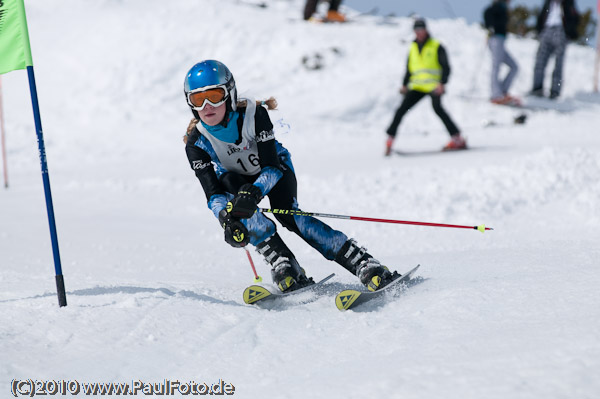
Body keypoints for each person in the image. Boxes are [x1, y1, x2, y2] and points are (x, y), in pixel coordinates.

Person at [183, 60, 398, 293]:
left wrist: (254, 192)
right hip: (236, 180)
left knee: (289, 215)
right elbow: (213, 194)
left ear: (230, 94)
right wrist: (226, 218)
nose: (206, 105)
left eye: (214, 95)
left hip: (275, 171)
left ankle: (362, 262)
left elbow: (272, 167)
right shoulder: (196, 143)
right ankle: (283, 262)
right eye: (197, 99)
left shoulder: (255, 116)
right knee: (236, 208)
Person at [385, 18, 465, 155]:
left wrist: (442, 83)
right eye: (417, 30)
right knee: (401, 109)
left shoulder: (436, 45)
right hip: (417, 86)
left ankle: (457, 138)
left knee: (438, 108)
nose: (419, 33)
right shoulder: (413, 47)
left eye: (421, 30)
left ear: (426, 30)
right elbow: (409, 69)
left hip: (434, 85)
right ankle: (390, 139)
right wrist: (404, 85)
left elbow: (446, 67)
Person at [531, 0, 580, 99]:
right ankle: (537, 88)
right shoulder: (548, 2)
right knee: (540, 61)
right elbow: (542, 15)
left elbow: (574, 17)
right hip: (547, 30)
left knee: (558, 63)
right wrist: (539, 30)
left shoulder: (568, 3)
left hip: (561, 31)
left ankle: (555, 91)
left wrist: (568, 32)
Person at [483, 0, 520, 105]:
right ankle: (496, 94)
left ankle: (502, 91)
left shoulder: (503, 8)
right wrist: (490, 27)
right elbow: (487, 13)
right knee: (496, 66)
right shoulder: (497, 7)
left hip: (501, 40)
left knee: (514, 67)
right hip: (495, 40)